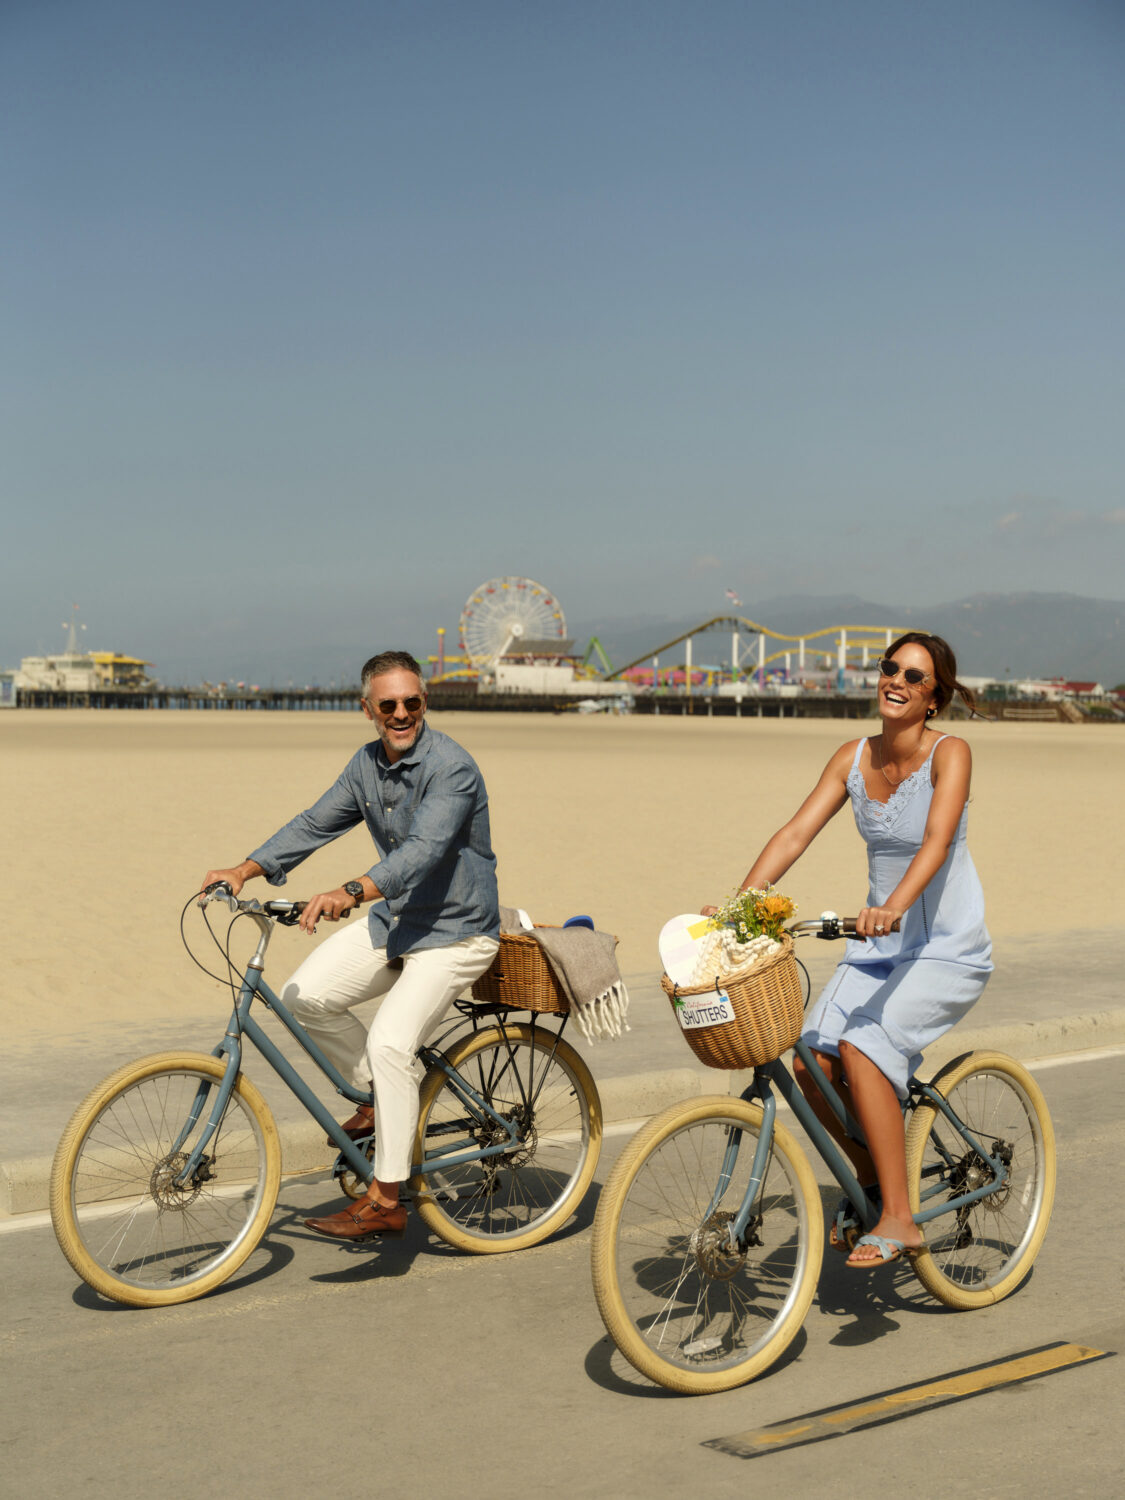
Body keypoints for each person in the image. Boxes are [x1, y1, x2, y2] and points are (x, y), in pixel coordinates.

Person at [703, 632, 991, 1268]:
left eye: (914, 677)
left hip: (944, 947)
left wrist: (892, 906)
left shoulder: (952, 753)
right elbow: (796, 831)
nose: (897, 681)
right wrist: (737, 910)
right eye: (891, 668)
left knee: (864, 1047)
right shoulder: (851, 756)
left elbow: (936, 842)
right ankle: (870, 1183)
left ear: (934, 699)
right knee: (808, 1067)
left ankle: (899, 1217)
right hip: (876, 946)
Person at [200, 650, 500, 1242]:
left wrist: (352, 889)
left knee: (391, 1042)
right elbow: (315, 823)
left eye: (411, 702)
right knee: (304, 997)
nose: (401, 713)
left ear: (424, 701)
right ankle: (380, 1100)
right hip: (398, 922)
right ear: (366, 709)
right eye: (387, 704)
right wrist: (245, 868)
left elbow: (423, 851)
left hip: (457, 932)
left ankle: (387, 1197)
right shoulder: (365, 765)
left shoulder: (452, 768)